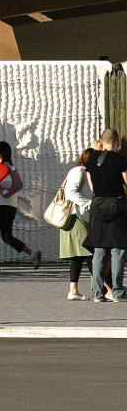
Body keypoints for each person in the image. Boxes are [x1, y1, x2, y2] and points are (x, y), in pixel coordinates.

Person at [86, 127, 127, 302]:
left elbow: (92, 186)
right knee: (118, 249)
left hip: (98, 206)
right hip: (117, 207)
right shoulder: (120, 160)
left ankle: (97, 291)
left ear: (102, 141)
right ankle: (117, 290)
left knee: (99, 249)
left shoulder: (92, 159)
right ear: (117, 142)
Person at [0, 141, 41, 269]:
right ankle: (31, 252)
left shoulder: (1, 167)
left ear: (1, 152)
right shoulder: (11, 166)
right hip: (10, 206)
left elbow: (18, 184)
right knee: (6, 235)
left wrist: (4, 191)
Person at [59, 151, 94, 300]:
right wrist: (88, 203)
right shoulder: (79, 171)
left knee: (80, 256)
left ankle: (73, 290)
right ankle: (105, 287)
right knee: (90, 252)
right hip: (76, 217)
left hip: (76, 217)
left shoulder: (80, 171)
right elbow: (71, 192)